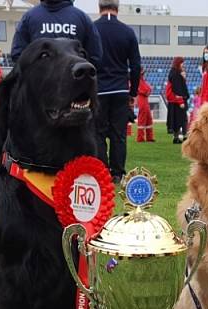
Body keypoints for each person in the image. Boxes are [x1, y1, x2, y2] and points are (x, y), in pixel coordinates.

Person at [93, 0, 140, 182]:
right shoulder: (127, 31)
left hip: (98, 90)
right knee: (119, 134)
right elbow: (135, 65)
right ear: (117, 8)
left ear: (99, 8)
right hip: (120, 89)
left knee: (98, 133)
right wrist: (133, 92)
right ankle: (117, 173)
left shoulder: (92, 29)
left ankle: (101, 171)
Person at [10, 0, 102, 66]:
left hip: (41, 88)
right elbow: (95, 57)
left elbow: (17, 54)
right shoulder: (82, 18)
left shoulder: (29, 17)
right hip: (72, 86)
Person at [165, 56, 189, 143]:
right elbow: (178, 90)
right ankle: (180, 137)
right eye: (182, 63)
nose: (183, 65)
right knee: (180, 120)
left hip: (174, 101)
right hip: (178, 101)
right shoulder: (176, 74)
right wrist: (181, 101)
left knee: (176, 120)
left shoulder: (174, 73)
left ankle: (176, 138)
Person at [135, 68, 154, 142]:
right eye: (142, 72)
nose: (144, 73)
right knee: (142, 118)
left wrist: (148, 91)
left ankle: (149, 137)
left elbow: (148, 89)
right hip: (142, 100)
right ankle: (140, 138)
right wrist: (148, 91)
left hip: (145, 100)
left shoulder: (142, 80)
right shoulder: (138, 81)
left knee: (149, 118)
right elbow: (146, 91)